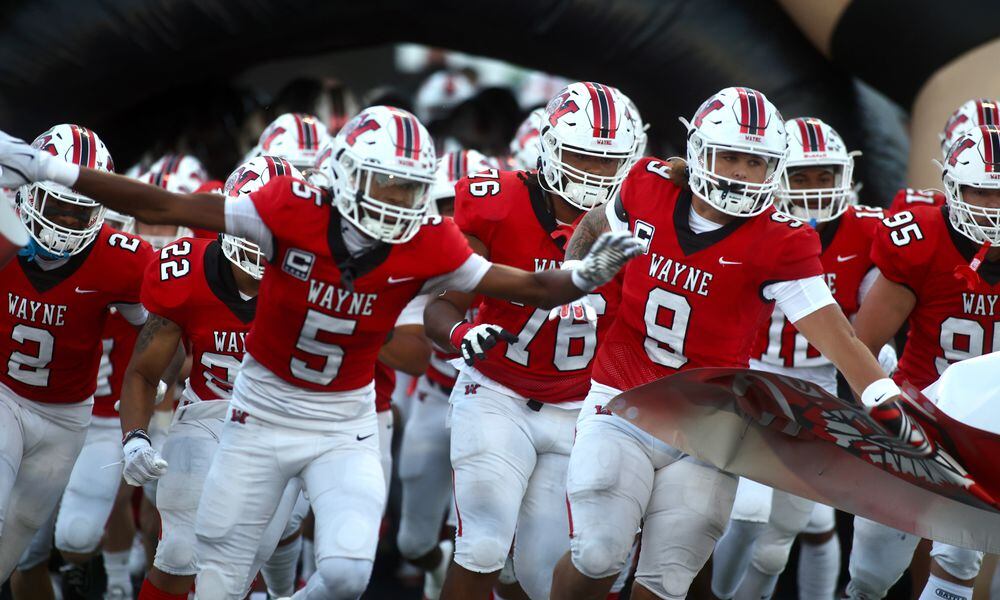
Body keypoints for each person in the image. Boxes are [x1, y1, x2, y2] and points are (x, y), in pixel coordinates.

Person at [0, 104, 640, 600]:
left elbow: (520, 283)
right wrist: (50, 171)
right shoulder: (287, 210)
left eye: (408, 188)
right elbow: (165, 204)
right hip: (256, 417)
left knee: (343, 576)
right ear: (346, 174)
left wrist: (581, 276)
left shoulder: (425, 236)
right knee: (213, 576)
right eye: (384, 183)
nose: (397, 202)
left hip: (346, 423)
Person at [547, 87, 896, 600]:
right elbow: (601, 220)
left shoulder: (784, 239)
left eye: (754, 162)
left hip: (709, 425)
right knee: (598, 553)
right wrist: (572, 279)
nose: (738, 173)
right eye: (728, 155)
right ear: (699, 152)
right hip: (622, 399)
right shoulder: (648, 185)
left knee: (665, 583)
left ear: (773, 168)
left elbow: (840, 339)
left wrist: (890, 407)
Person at [424, 81, 641, 600]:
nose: (593, 173)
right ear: (548, 144)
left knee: (543, 578)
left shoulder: (643, 220)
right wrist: (461, 333)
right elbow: (441, 305)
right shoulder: (494, 201)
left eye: (608, 162)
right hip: (495, 396)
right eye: (581, 156)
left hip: (578, 409)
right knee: (481, 546)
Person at [712, 117, 885, 599]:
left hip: (817, 392)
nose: (813, 189)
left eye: (825, 175)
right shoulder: (747, 223)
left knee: (774, 547)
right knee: (744, 515)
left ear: (845, 175)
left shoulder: (869, 232)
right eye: (800, 175)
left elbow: (877, 321)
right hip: (750, 379)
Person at [121, 155, 303, 600]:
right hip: (206, 413)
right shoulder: (187, 269)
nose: (261, 241)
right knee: (179, 553)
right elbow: (143, 371)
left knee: (234, 573)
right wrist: (136, 438)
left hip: (282, 427)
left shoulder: (317, 280)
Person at [843, 124, 1000, 600]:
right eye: (979, 191)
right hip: (919, 408)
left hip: (992, 423)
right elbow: (861, 344)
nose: (991, 207)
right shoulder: (923, 237)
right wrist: (882, 413)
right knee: (873, 569)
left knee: (959, 556)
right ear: (951, 187)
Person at [0, 124, 152, 583]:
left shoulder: (125, 258)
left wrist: (152, 376)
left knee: (17, 544)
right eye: (58, 206)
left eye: (78, 212)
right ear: (26, 194)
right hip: (4, 392)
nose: (66, 221)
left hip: (67, 416)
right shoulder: (4, 233)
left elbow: (155, 327)